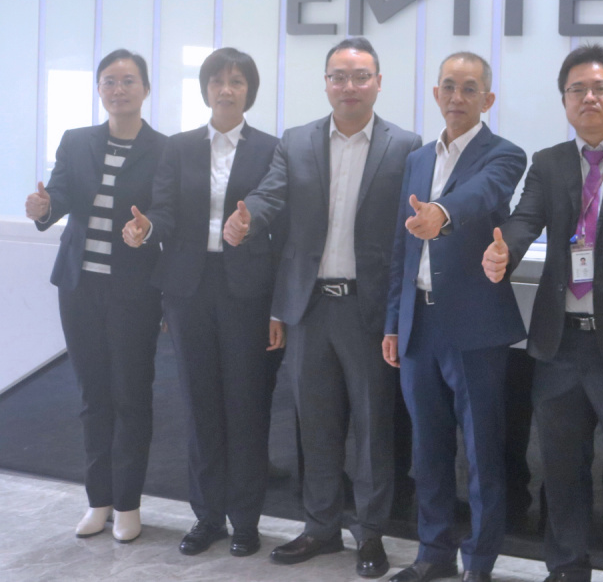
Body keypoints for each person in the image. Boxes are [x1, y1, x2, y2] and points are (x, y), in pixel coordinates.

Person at [223, 36, 421, 578]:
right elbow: (270, 195)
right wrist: (247, 218)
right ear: (326, 83)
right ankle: (320, 526)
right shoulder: (297, 141)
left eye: (360, 76)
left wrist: (397, 317)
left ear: (378, 82)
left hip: (369, 310)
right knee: (315, 425)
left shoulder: (406, 147)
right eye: (339, 76)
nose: (349, 86)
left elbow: (406, 240)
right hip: (309, 308)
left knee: (374, 428)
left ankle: (371, 532)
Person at [483, 45, 603, 582]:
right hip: (559, 343)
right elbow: (523, 221)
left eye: (599, 88)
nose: (588, 97)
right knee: (561, 469)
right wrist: (503, 252)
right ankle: (566, 568)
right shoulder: (548, 162)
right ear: (565, 100)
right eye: (576, 90)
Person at [122, 48, 282, 558]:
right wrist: (148, 229)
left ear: (249, 90)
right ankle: (208, 516)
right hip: (188, 289)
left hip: (246, 291)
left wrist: (277, 304)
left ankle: (246, 519)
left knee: (246, 405)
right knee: (200, 405)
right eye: (217, 81)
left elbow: (280, 223)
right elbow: (165, 211)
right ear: (205, 89)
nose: (226, 90)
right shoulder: (180, 147)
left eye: (236, 81)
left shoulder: (271, 149)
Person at [382, 52, 527, 582]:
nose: (457, 97)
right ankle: (433, 553)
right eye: (449, 86)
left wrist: (441, 214)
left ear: (488, 99)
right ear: (436, 94)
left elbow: (481, 194)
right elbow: (402, 248)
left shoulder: (504, 154)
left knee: (482, 452)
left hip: (474, 326)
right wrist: (393, 322)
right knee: (429, 449)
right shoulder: (419, 159)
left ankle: (479, 563)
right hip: (419, 323)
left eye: (469, 88)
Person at [26, 49, 167, 543]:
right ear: (99, 89)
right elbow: (60, 197)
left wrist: (148, 229)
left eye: (128, 80)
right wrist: (44, 207)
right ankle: (98, 500)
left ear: (145, 89)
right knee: (93, 397)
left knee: (131, 396)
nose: (118, 89)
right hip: (80, 287)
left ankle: (128, 504)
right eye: (109, 81)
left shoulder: (164, 149)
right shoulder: (76, 140)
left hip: (134, 291)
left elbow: (167, 213)